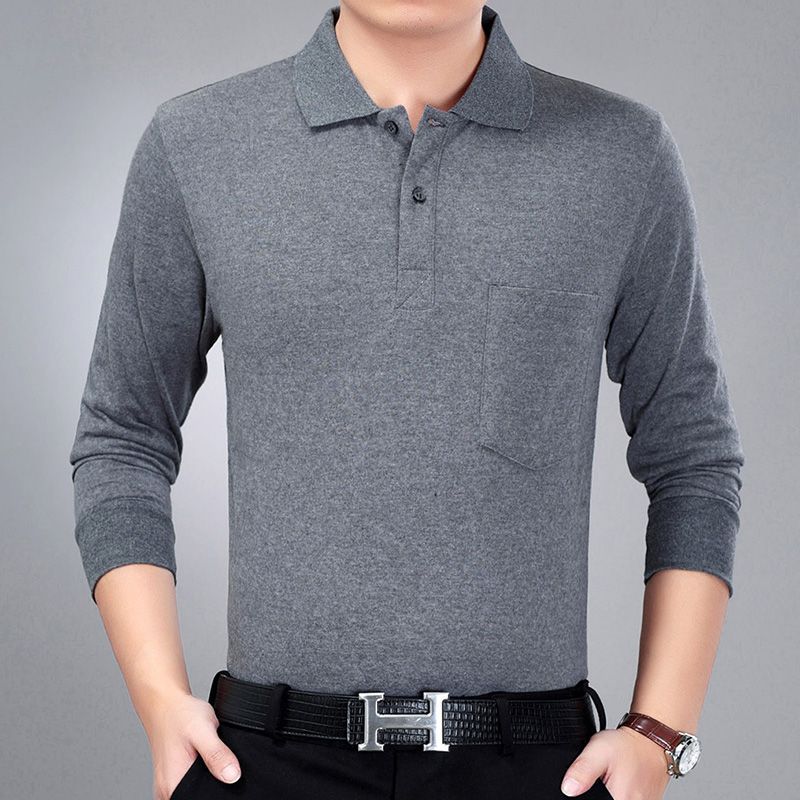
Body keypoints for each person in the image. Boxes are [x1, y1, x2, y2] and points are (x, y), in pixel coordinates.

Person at [68, 3, 745, 799]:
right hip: (266, 762)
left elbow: (693, 456)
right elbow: (123, 438)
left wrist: (659, 732)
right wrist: (158, 699)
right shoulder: (196, 144)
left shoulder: (621, 154)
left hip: (536, 768)